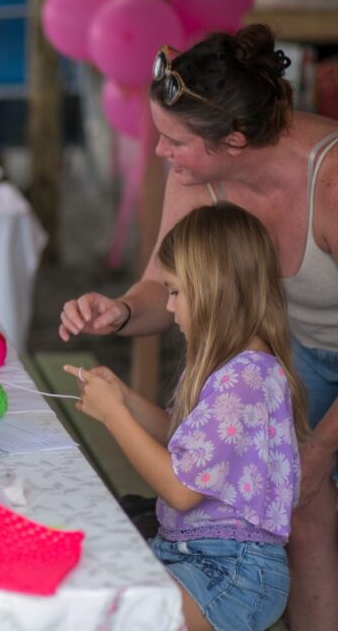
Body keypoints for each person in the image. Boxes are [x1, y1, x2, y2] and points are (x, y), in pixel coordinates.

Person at [57, 25, 338, 630]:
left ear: (233, 140)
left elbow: (185, 487)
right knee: (302, 506)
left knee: (310, 496)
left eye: (174, 140)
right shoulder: (198, 171)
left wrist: (317, 453)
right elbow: (162, 283)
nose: (160, 151)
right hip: (299, 348)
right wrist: (121, 311)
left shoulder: (332, 180)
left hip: (230, 568)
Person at [65, 204, 306, 631]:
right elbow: (183, 440)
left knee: (111, 611)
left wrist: (115, 415)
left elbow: (181, 489)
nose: (169, 307)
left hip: (232, 574)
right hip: (195, 557)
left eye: (175, 292)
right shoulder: (232, 367)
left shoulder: (244, 378)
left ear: (215, 288)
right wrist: (125, 399)